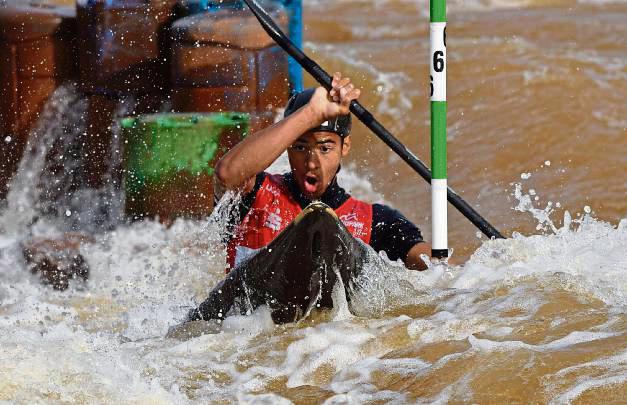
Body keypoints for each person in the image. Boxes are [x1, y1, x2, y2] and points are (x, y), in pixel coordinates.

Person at [214, 72, 432, 271]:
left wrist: (442, 264)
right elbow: (227, 173)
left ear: (344, 146)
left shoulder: (376, 222)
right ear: (287, 146)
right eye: (300, 147)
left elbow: (432, 267)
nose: (311, 163)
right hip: (246, 314)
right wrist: (310, 115)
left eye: (325, 148)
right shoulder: (254, 195)